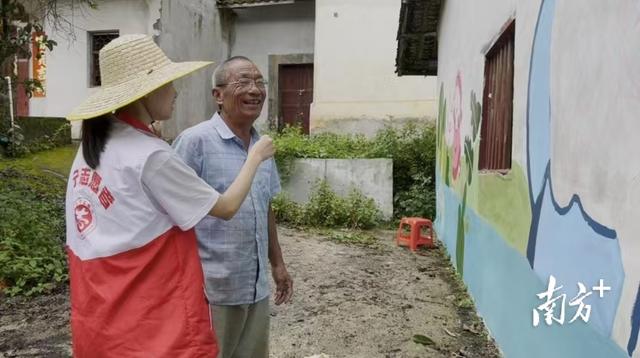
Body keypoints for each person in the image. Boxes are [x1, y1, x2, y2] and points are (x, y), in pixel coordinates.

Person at [65, 35, 275, 357]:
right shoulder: (155, 154)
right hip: (154, 312)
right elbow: (227, 206)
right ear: (146, 90)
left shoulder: (95, 148)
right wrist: (255, 157)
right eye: (168, 83)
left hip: (108, 311)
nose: (175, 92)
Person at [173, 56, 293, 358]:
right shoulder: (194, 142)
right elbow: (172, 215)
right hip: (211, 291)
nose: (255, 90)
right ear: (218, 95)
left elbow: (264, 206)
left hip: (255, 286)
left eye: (259, 82)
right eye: (243, 82)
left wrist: (277, 264)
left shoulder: (262, 147)